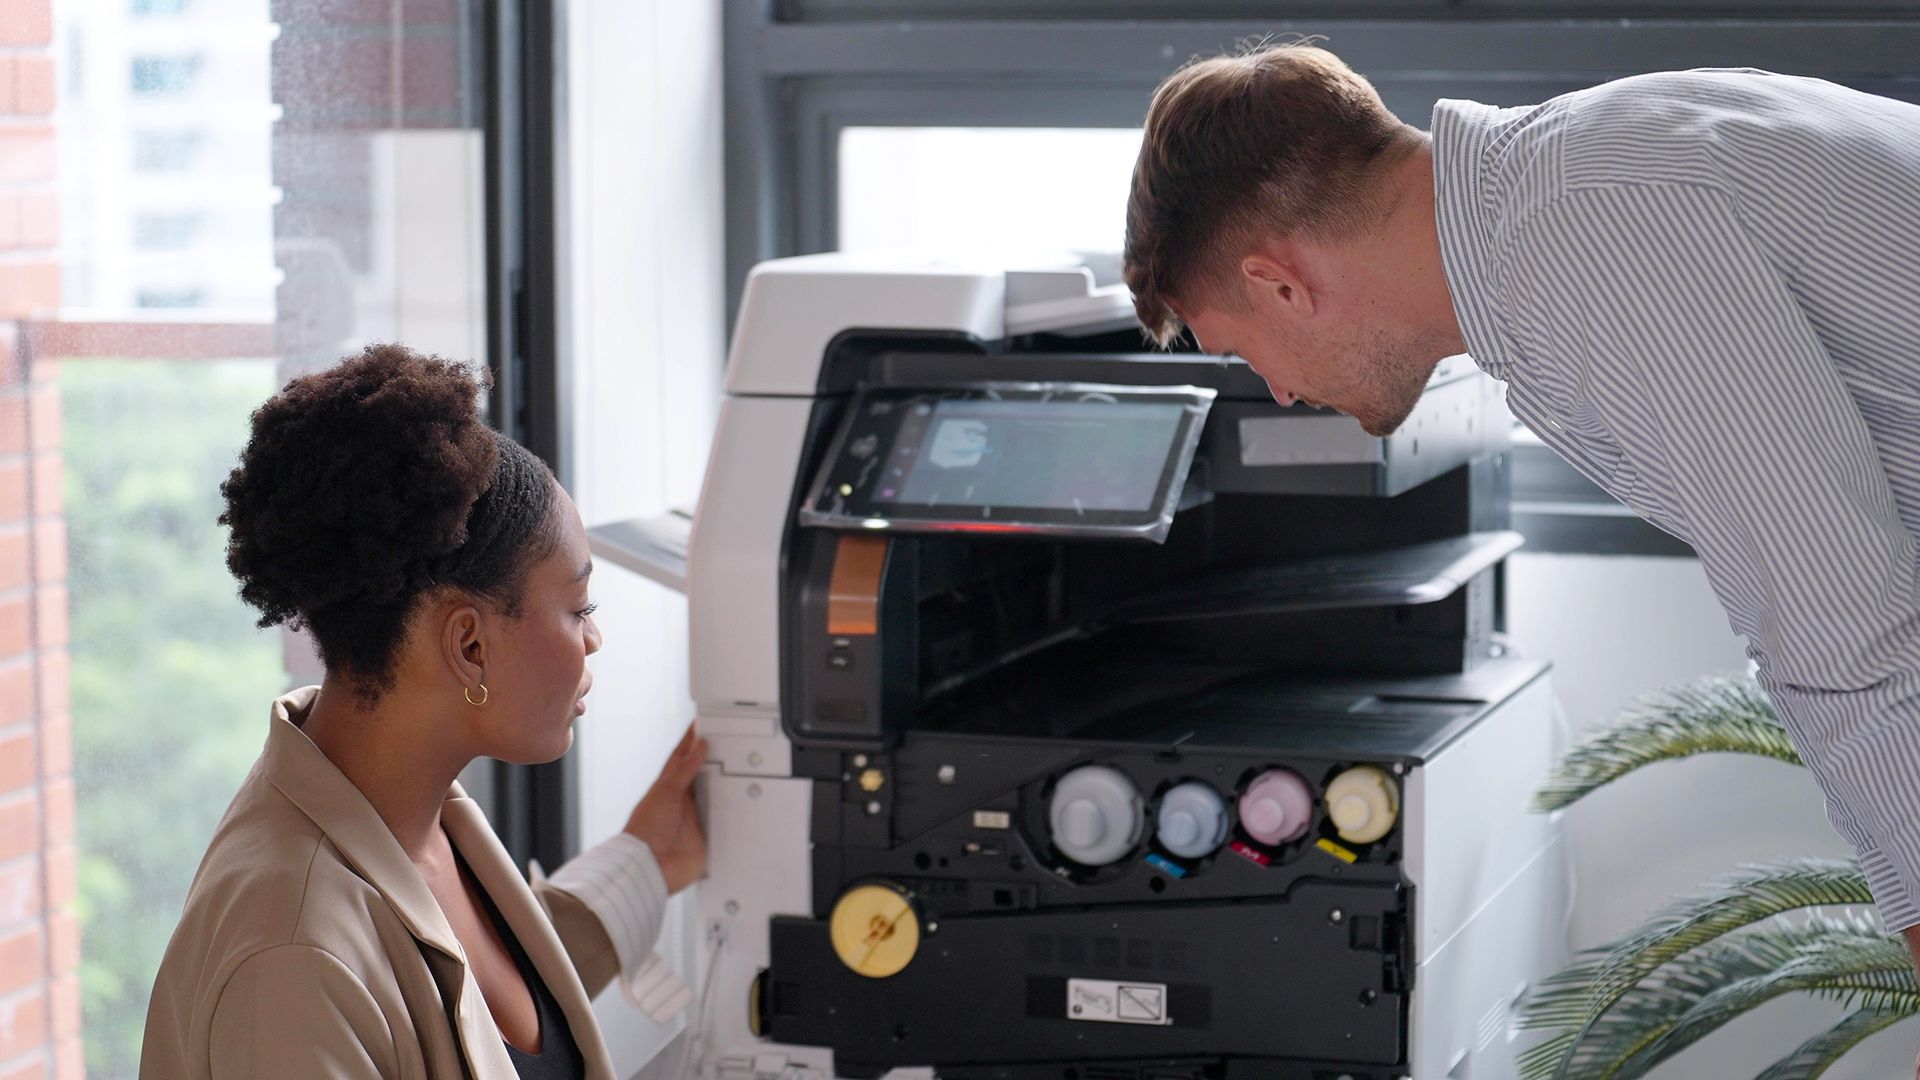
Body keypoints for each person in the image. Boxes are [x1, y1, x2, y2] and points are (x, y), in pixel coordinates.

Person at [1122, 44, 1920, 986]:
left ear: (1280, 285)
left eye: (1247, 351)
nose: (1280, 396)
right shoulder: (1556, 202)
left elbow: (1842, 632)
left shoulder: (1585, 243)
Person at [140, 344, 707, 1079]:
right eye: (578, 607)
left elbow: (460, 1012)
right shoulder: (291, 962)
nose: (594, 638)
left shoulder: (412, 817)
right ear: (469, 646)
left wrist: (652, 859)